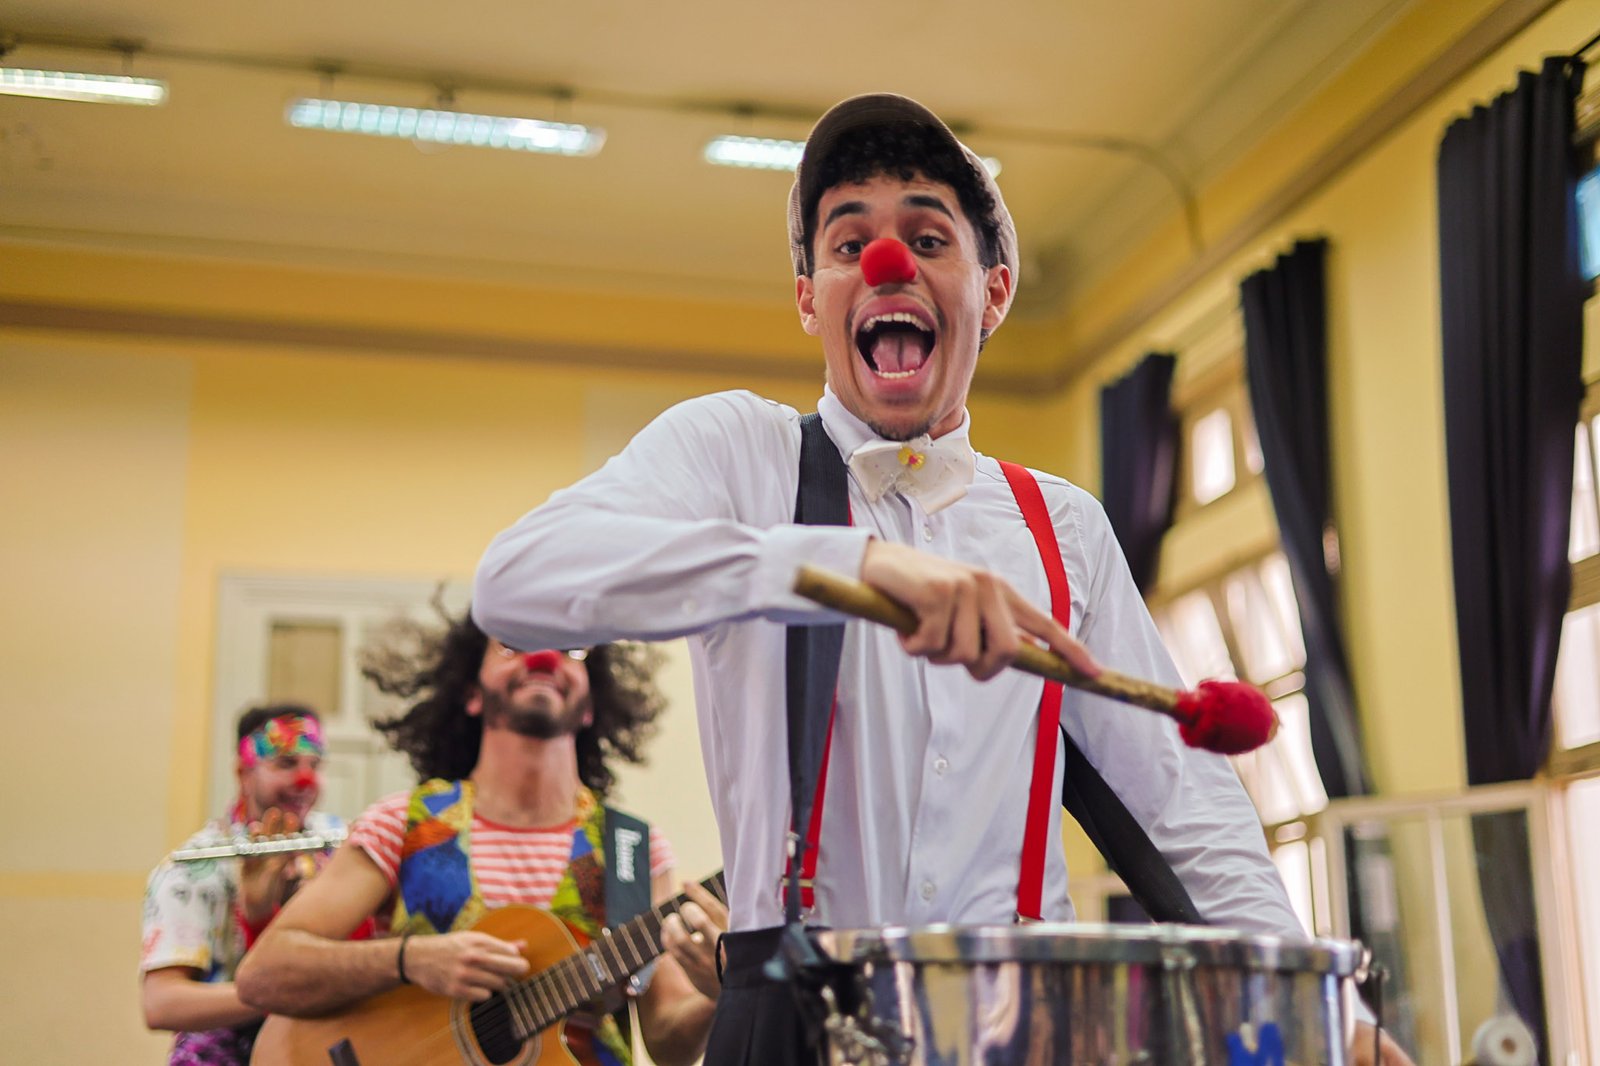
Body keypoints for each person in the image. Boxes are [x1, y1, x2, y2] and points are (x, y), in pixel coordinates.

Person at [468, 94, 1415, 1066]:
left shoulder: (1065, 529)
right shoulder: (736, 456)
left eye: (928, 236)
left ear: (992, 291)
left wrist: (1319, 1012)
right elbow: (516, 583)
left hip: (1018, 1027)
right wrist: (842, 564)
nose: (887, 263)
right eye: (847, 245)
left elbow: (1183, 810)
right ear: (808, 297)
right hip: (787, 1020)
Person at [236, 609, 721, 1066]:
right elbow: (263, 974)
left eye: (572, 648)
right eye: (512, 643)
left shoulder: (633, 850)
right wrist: (409, 959)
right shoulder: (401, 823)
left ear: (591, 703)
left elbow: (668, 1042)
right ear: (471, 692)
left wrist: (721, 992)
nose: (544, 655)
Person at [141, 703, 339, 1065]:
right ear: (243, 772)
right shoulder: (194, 867)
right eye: (286, 763)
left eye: (315, 765)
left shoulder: (339, 846)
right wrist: (280, 995)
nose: (306, 781)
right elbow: (160, 1003)